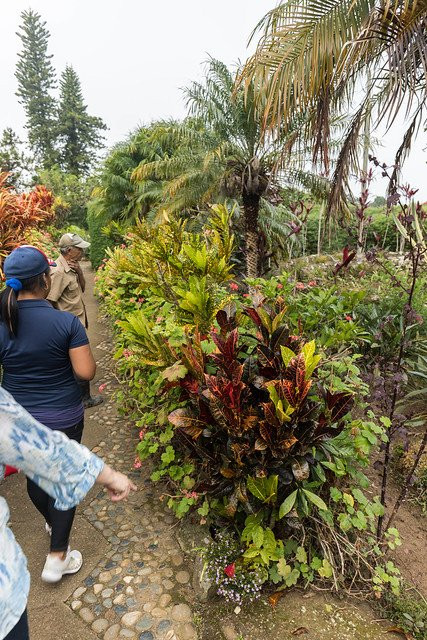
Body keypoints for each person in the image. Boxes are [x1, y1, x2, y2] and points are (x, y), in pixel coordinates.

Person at [0, 385, 136, 640]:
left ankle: (57, 543)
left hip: (29, 402)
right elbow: (40, 449)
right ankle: (58, 552)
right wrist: (108, 475)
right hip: (2, 603)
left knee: (35, 480)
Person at [0, 246, 101, 583]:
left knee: (36, 478)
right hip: (63, 416)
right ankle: (57, 556)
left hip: (19, 420)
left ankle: (51, 520)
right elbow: (86, 372)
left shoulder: (3, 322)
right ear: (45, 279)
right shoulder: (64, 322)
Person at [47, 232, 102, 408]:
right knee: (80, 362)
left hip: (77, 322)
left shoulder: (72, 266)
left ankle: (79, 397)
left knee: (75, 362)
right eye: (79, 249)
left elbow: (83, 289)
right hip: (68, 326)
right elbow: (49, 301)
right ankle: (84, 400)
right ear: (69, 250)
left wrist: (79, 271)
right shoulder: (58, 272)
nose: (83, 251)